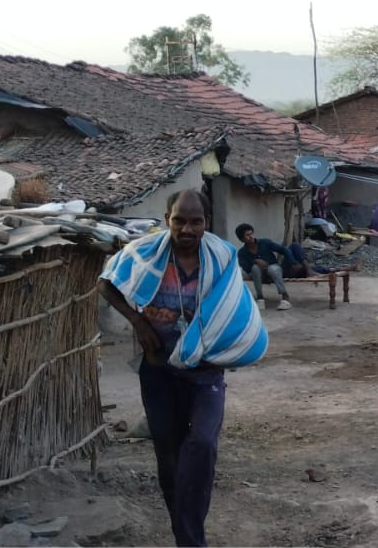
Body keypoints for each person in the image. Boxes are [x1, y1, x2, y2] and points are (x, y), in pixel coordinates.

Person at [99, 189, 268, 547]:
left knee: (203, 444)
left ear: (207, 223)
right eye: (179, 220)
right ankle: (186, 537)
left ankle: (192, 537)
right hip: (158, 371)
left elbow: (233, 308)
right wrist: (138, 322)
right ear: (167, 220)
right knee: (169, 456)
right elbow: (106, 283)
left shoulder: (221, 258)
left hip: (205, 372)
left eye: (195, 221)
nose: (187, 228)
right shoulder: (145, 253)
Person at [234, 223, 294, 310]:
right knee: (255, 268)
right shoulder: (242, 253)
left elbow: (283, 250)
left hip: (273, 269)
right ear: (242, 239)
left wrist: (291, 262)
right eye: (247, 235)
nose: (251, 237)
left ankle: (285, 296)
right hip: (258, 274)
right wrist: (255, 261)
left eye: (251, 234)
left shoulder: (265, 242)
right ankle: (260, 298)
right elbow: (246, 269)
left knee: (273, 269)